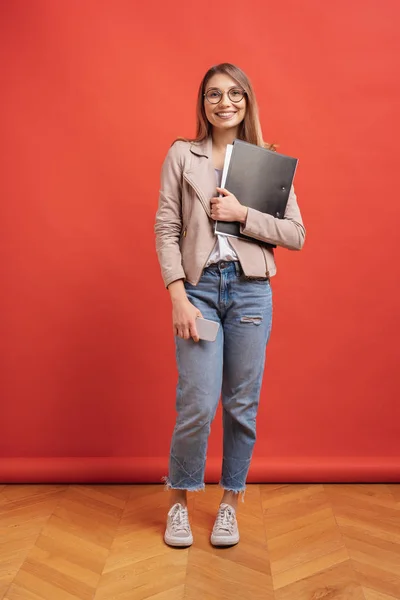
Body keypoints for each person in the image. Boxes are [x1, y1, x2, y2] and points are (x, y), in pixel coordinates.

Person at [154, 63, 305, 548]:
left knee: (242, 406)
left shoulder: (266, 161)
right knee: (196, 402)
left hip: (249, 292)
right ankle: (178, 502)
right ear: (203, 102)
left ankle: (229, 504)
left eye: (235, 94)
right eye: (215, 94)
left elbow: (296, 234)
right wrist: (178, 295)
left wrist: (243, 215)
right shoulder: (182, 155)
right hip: (199, 291)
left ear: (247, 101)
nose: (225, 102)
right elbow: (166, 228)